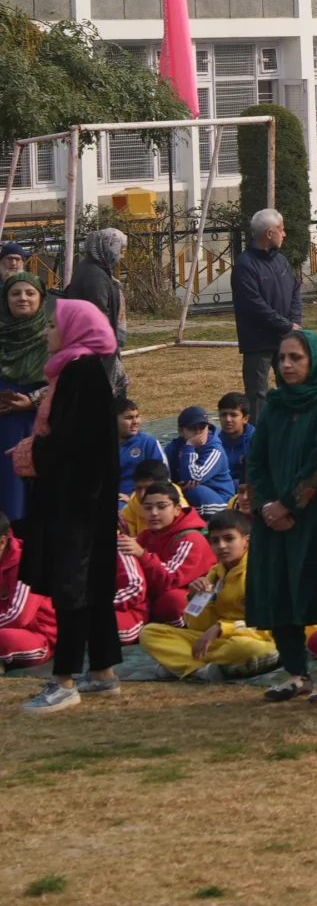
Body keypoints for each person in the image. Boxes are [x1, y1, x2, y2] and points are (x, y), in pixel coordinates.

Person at [239, 328, 317, 707]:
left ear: (315, 360)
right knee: (278, 589)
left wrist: (289, 505)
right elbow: (256, 458)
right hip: (273, 519)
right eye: (281, 358)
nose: (286, 365)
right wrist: (266, 505)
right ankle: (296, 673)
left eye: (296, 357)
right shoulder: (276, 403)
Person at [11, 298, 125, 712]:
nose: (47, 332)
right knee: (91, 585)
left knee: (73, 587)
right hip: (83, 500)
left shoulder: (81, 372)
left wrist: (31, 452)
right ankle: (103, 672)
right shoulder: (75, 370)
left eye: (53, 325)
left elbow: (74, 441)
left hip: (78, 503)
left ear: (75, 329)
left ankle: (64, 680)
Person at [138, 508, 276, 683]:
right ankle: (202, 669)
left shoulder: (261, 573)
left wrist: (222, 628)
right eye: (215, 541)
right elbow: (198, 627)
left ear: (246, 541)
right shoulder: (215, 573)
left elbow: (269, 628)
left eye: (229, 539)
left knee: (246, 648)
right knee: (150, 633)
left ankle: (183, 664)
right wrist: (195, 598)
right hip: (217, 642)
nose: (222, 546)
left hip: (252, 639)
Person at [231, 209, 301, 422]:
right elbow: (253, 305)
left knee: (293, 389)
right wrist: (286, 326)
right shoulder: (245, 265)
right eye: (281, 229)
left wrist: (295, 323)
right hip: (258, 343)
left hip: (285, 340)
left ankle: (293, 429)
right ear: (269, 233)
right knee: (257, 397)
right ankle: (259, 436)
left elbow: (295, 291)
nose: (284, 234)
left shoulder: (281, 260)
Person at [0, 271, 55, 524]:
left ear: (41, 298)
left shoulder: (52, 337)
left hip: (40, 424)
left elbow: (66, 384)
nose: (22, 298)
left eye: (30, 293)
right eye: (15, 293)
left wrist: (32, 400)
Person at [61, 228, 127, 350]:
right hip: (95, 346)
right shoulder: (95, 275)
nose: (122, 256)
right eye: (121, 251)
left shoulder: (95, 269)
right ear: (109, 248)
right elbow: (99, 314)